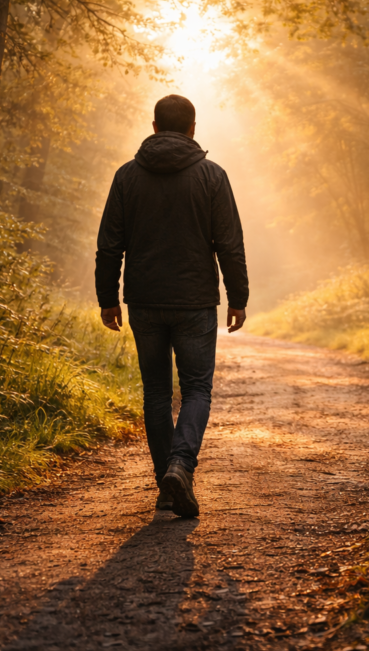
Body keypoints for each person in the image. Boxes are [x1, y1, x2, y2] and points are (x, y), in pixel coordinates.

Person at [94, 94, 249, 518]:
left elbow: (109, 245)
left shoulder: (127, 176)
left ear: (155, 127)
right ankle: (180, 467)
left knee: (157, 392)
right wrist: (238, 297)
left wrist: (108, 298)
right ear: (193, 128)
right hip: (195, 301)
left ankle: (166, 484)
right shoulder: (212, 176)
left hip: (144, 300)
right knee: (197, 388)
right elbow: (229, 244)